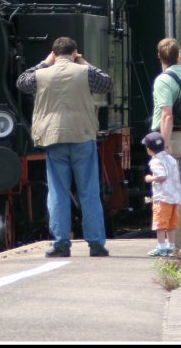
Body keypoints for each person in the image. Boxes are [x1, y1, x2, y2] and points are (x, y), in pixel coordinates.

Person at [16, 36, 114, 258]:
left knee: (58, 192)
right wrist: (83, 62)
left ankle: (61, 243)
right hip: (82, 137)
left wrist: (44, 62)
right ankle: (96, 243)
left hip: (54, 139)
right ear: (74, 53)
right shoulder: (84, 72)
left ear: (54, 54)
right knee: (89, 191)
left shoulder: (41, 75)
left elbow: (21, 82)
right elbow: (107, 82)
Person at [150, 37, 181, 256]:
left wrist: (163, 145)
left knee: (172, 193)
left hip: (171, 139)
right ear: (177, 54)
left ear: (159, 56)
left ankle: (179, 245)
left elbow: (167, 114)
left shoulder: (163, 80)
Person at [141, 131, 181, 257]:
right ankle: (171, 246)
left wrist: (149, 178)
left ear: (149, 150)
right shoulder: (171, 158)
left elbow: (161, 176)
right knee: (171, 224)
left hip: (163, 197)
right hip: (174, 197)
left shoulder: (155, 161)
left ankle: (161, 247)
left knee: (159, 224)